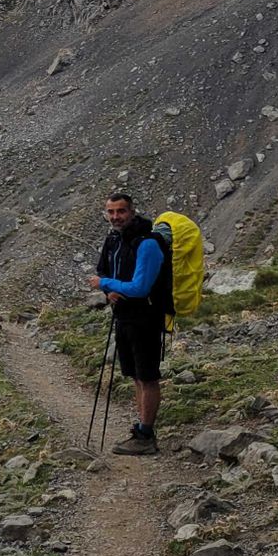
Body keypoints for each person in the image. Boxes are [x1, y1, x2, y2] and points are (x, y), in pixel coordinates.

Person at [86, 192, 171, 456]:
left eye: (120, 211)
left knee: (147, 376)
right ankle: (142, 429)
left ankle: (146, 435)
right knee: (136, 374)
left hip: (145, 317)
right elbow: (103, 270)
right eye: (110, 212)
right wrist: (107, 291)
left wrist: (105, 285)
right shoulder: (113, 239)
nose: (115, 217)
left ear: (132, 211)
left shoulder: (147, 243)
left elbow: (140, 287)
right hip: (124, 315)